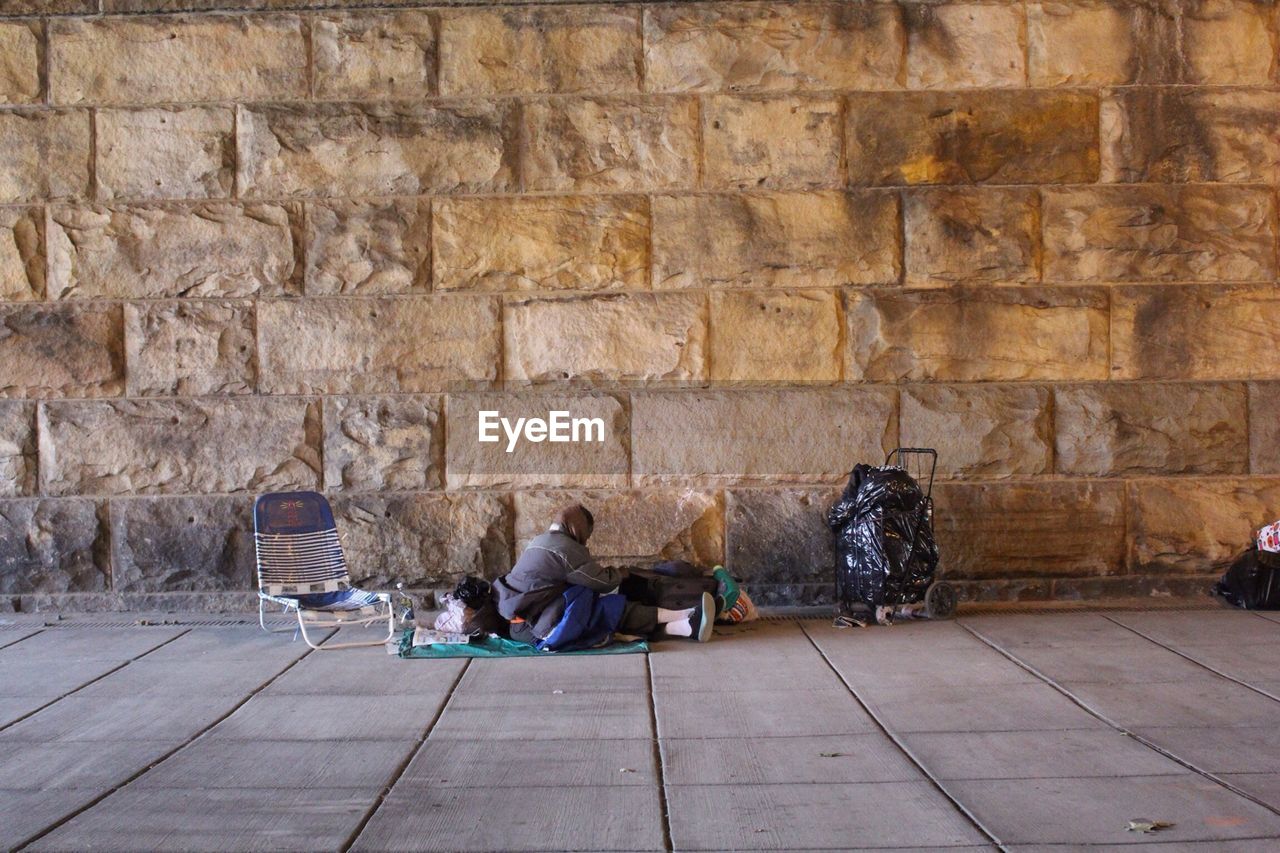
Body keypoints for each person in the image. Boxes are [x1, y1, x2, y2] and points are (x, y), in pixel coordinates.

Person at [493, 504, 713, 650]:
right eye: (587, 534)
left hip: (521, 625)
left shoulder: (539, 540)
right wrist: (622, 573)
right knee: (605, 608)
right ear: (577, 526)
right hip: (536, 630)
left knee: (592, 606)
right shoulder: (565, 548)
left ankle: (685, 627)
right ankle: (688, 613)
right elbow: (603, 582)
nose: (586, 541)